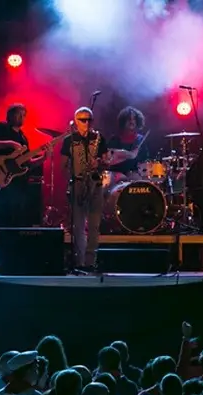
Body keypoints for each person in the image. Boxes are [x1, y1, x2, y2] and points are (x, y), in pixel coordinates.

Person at [60, 107, 108, 271]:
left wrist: (100, 163)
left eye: (89, 120)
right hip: (78, 183)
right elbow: (62, 165)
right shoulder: (69, 140)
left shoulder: (99, 138)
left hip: (95, 183)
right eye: (83, 120)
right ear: (75, 121)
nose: (86, 123)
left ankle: (90, 262)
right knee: (78, 226)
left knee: (94, 225)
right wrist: (72, 180)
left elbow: (107, 160)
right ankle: (79, 262)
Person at [0, 103, 46, 227]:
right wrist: (10, 143)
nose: (21, 116)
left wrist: (44, 157)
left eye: (23, 115)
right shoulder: (1, 127)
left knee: (17, 218)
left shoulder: (23, 138)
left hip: (17, 184)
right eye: (18, 114)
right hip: (0, 180)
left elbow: (28, 164)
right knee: (1, 218)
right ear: (10, 115)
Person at [105, 106, 149, 185]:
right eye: (129, 119)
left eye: (134, 119)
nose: (132, 121)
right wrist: (129, 155)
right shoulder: (115, 139)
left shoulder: (140, 140)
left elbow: (144, 161)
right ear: (123, 121)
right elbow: (109, 159)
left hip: (134, 175)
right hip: (116, 175)